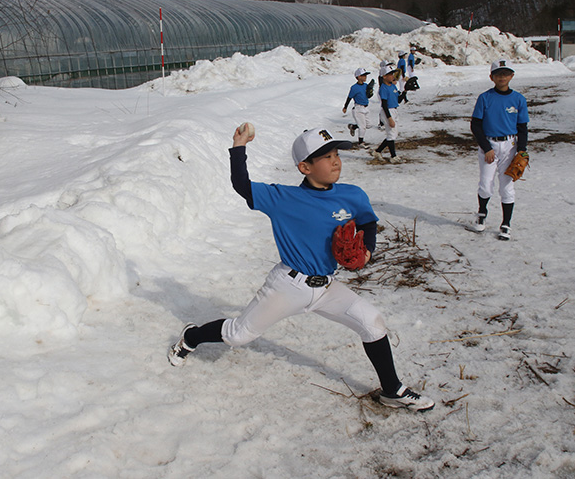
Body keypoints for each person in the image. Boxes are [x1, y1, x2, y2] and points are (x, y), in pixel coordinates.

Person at [167, 126, 435, 412]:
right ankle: (191, 337)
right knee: (238, 335)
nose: (335, 161)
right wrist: (238, 146)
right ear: (305, 167)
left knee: (372, 322)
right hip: (288, 286)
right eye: (325, 157)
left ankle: (392, 391)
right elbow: (242, 185)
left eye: (336, 154)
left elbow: (368, 222)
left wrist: (367, 250)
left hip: (327, 288)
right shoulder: (284, 199)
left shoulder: (352, 195)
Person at [468, 58, 529, 241]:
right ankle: (481, 213)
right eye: (498, 74)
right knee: (486, 185)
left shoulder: (518, 99)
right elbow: (476, 125)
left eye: (505, 74)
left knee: (507, 187)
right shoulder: (485, 98)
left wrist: (522, 150)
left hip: (509, 147)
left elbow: (522, 127)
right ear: (491, 77)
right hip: (489, 145)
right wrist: (486, 148)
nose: (502, 77)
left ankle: (506, 223)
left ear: (511, 76)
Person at [373, 63, 405, 164]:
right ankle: (393, 156)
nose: (392, 76)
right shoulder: (383, 88)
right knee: (391, 134)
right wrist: (389, 118)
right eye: (390, 74)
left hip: (394, 110)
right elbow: (384, 104)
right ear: (384, 76)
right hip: (388, 111)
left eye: (393, 74)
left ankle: (378, 151)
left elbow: (398, 100)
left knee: (393, 134)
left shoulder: (392, 86)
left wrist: (405, 91)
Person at [342, 68, 374, 146]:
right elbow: (349, 97)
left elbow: (368, 96)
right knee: (362, 127)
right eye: (363, 75)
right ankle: (361, 142)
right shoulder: (354, 87)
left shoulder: (366, 86)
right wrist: (345, 107)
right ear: (358, 77)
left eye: (366, 75)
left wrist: (370, 92)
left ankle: (353, 126)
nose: (365, 77)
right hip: (358, 108)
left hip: (366, 107)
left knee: (369, 125)